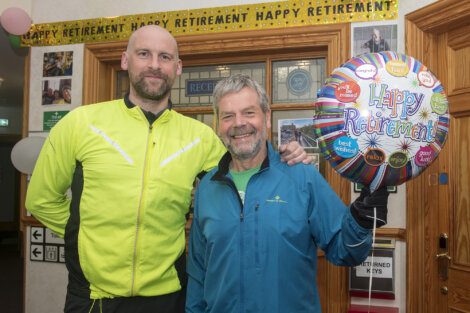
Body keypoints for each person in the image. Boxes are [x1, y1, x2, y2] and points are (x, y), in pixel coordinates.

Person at [25, 26, 310, 313]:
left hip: (169, 297)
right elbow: (41, 200)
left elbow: (249, 168)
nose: (154, 65)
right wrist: (90, 238)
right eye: (144, 54)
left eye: (164, 57)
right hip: (92, 298)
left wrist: (287, 156)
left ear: (177, 68)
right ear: (125, 60)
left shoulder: (199, 137)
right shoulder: (80, 124)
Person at [186, 74, 390, 313]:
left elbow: (344, 250)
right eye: (228, 116)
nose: (239, 123)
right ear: (217, 125)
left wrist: (361, 220)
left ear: (267, 117)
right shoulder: (208, 187)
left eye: (249, 112)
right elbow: (198, 273)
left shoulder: (301, 176)